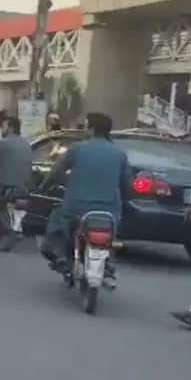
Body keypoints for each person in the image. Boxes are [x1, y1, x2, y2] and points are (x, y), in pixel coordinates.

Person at [42, 112, 130, 274]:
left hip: (77, 207)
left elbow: (56, 172)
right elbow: (126, 184)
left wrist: (47, 185)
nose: (84, 129)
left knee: (57, 218)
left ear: (92, 129)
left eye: (86, 126)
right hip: (109, 210)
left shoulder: (77, 149)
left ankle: (61, 255)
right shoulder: (120, 154)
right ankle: (107, 261)